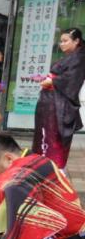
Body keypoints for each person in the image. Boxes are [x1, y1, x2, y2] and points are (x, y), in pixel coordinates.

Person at [31, 28, 85, 168]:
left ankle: (54, 167)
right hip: (50, 102)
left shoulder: (79, 58)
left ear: (76, 41)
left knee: (54, 137)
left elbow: (72, 80)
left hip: (59, 105)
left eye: (65, 41)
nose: (62, 44)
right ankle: (43, 164)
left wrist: (51, 81)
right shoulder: (70, 57)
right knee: (45, 135)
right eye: (61, 41)